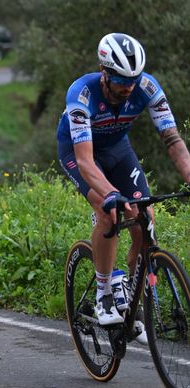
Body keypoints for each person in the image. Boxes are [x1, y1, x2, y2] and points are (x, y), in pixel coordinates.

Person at [57, 33, 188, 337]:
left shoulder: (147, 88)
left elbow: (173, 141)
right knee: (109, 213)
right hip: (79, 153)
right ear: (104, 73)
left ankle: (132, 298)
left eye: (133, 79)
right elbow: (86, 161)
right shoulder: (82, 94)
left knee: (145, 220)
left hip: (117, 149)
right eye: (120, 81)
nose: (128, 87)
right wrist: (111, 194)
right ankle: (104, 294)